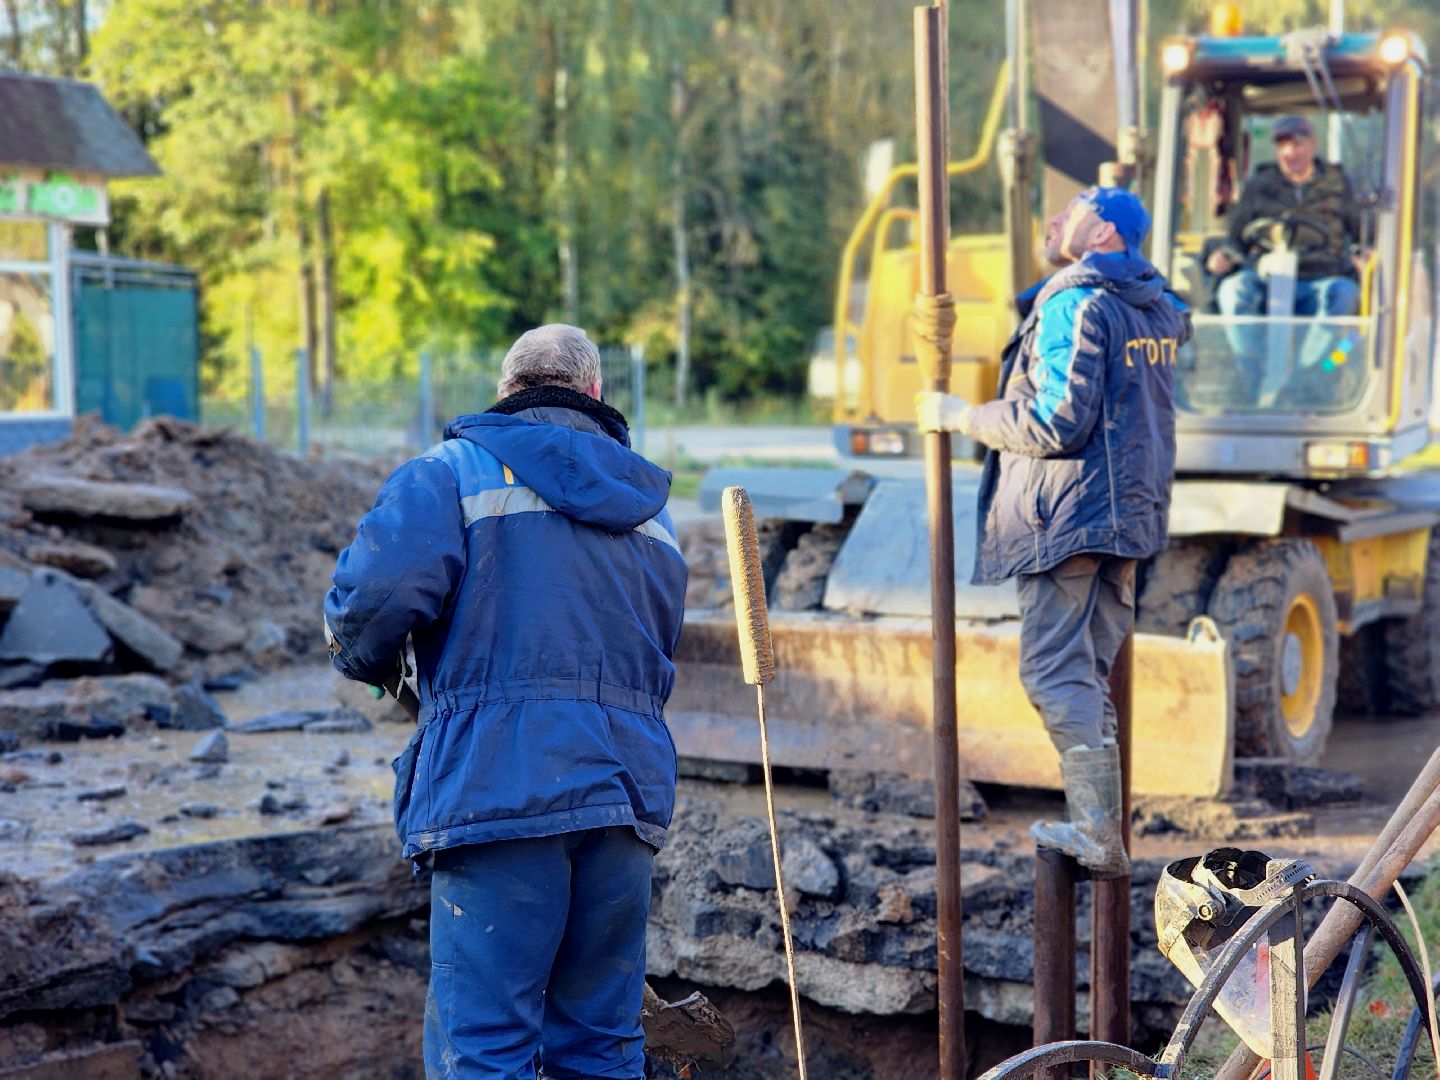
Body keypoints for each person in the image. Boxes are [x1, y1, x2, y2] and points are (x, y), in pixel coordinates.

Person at [324, 325, 688, 1079]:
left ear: (505, 390)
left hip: (498, 789)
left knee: (485, 1047)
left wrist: (371, 664)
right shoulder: (656, 514)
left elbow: (366, 607)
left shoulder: (450, 474)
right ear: (594, 394)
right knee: (602, 1043)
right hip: (624, 800)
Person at [915, 187, 1191, 875]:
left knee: (1052, 670)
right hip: (1130, 517)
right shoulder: (1154, 307)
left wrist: (960, 416)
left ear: (1104, 232)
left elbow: (1054, 422)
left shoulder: (1078, 303)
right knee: (1088, 673)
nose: (1057, 220)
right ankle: (1098, 827)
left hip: (1066, 516)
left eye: (1074, 211)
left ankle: (1097, 833)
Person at [1207, 114, 1364, 320]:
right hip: (1267, 279)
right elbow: (1236, 238)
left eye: (1297, 144)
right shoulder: (1259, 184)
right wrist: (1225, 255)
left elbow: (1360, 235)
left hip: (1320, 278)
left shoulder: (1336, 183)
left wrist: (1363, 254)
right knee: (1233, 290)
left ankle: (1316, 354)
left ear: (1313, 145)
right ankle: (1251, 353)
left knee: (1344, 294)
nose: (1290, 153)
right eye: (1282, 146)